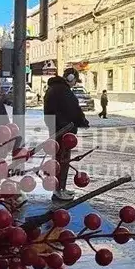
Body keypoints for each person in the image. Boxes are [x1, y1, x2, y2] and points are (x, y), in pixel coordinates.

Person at [44, 68, 90, 202]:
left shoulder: (53, 88)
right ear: (71, 78)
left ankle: (60, 188)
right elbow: (74, 110)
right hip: (64, 131)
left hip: (56, 129)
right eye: (74, 80)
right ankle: (59, 190)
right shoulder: (63, 91)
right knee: (62, 161)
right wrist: (83, 121)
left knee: (58, 161)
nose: (74, 83)